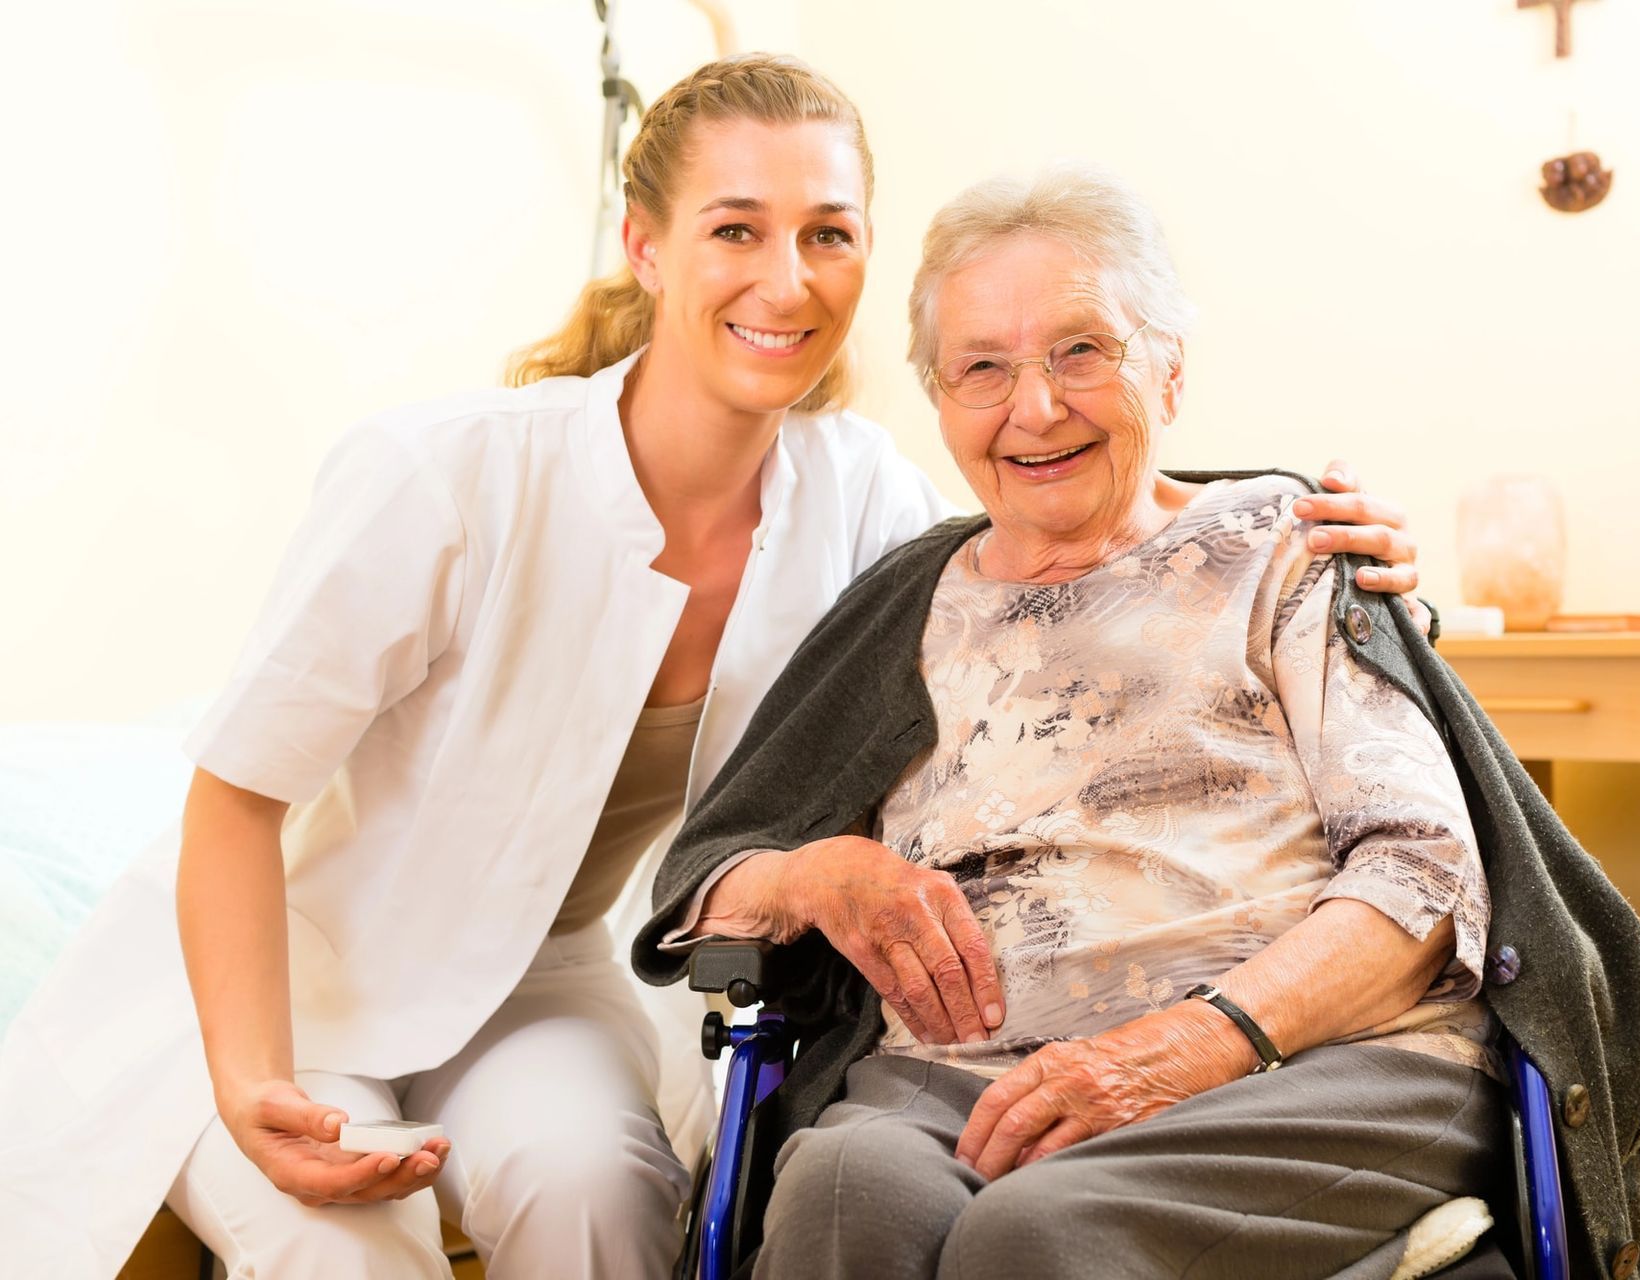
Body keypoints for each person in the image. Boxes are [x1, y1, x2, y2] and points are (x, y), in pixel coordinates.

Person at [0, 56, 1428, 1280]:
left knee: (608, 1197)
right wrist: (250, 1079)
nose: (786, 280)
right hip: (280, 985)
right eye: (736, 228)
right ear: (643, 244)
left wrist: (1287, 519)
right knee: (342, 1254)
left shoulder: (857, 489)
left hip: (535, 984)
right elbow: (235, 799)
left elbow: (1057, 519)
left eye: (829, 233)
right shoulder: (445, 474)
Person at [635, 164, 1640, 1280]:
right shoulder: (904, 600)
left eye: (1082, 351)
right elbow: (713, 872)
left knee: (1038, 1236)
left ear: (1171, 368)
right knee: (837, 1195)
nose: (1037, 406)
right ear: (940, 400)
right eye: (983, 369)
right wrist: (816, 874)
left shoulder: (1288, 549)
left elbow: (1425, 871)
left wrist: (1190, 1043)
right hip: (958, 1071)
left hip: (1314, 1063)